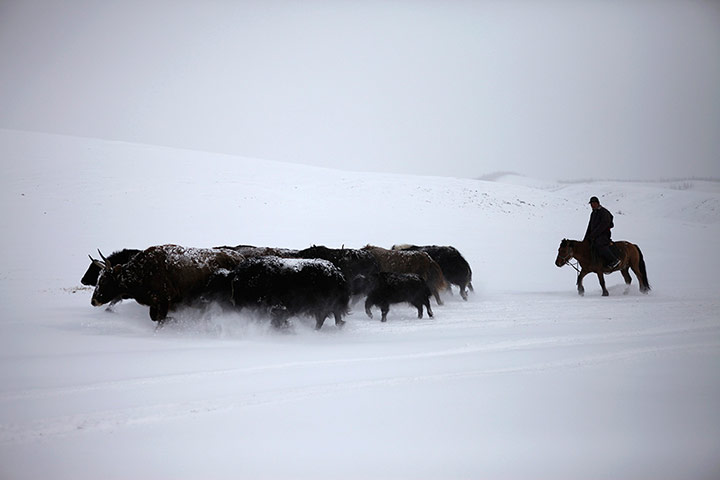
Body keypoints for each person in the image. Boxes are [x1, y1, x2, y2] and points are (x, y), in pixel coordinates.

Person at [583, 196, 620, 269]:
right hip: (595, 235)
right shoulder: (593, 213)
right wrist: (586, 238)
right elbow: (590, 226)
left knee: (600, 245)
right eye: (591, 204)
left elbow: (604, 225)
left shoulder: (604, 212)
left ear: (597, 203)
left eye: (593, 203)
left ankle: (614, 260)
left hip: (604, 235)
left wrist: (594, 234)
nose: (592, 205)